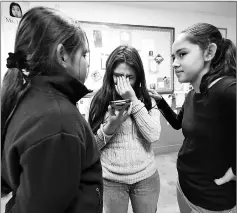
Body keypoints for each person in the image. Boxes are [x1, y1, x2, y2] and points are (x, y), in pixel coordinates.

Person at [1, 6, 103, 213]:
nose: (87, 64)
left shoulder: (28, 97)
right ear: (62, 55)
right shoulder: (58, 121)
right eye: (84, 54)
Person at [149, 23, 236, 213]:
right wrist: (160, 101)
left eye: (182, 54)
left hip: (211, 200)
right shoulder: (192, 94)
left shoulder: (227, 90)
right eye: (173, 57)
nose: (174, 63)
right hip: (185, 187)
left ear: (209, 53)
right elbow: (177, 124)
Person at [87, 45, 161, 213]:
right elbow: (92, 147)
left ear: (138, 77)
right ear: (110, 74)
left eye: (130, 77)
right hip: (111, 180)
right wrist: (111, 126)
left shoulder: (148, 100)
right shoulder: (98, 101)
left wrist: (133, 100)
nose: (124, 82)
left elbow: (153, 135)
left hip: (146, 177)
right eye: (118, 76)